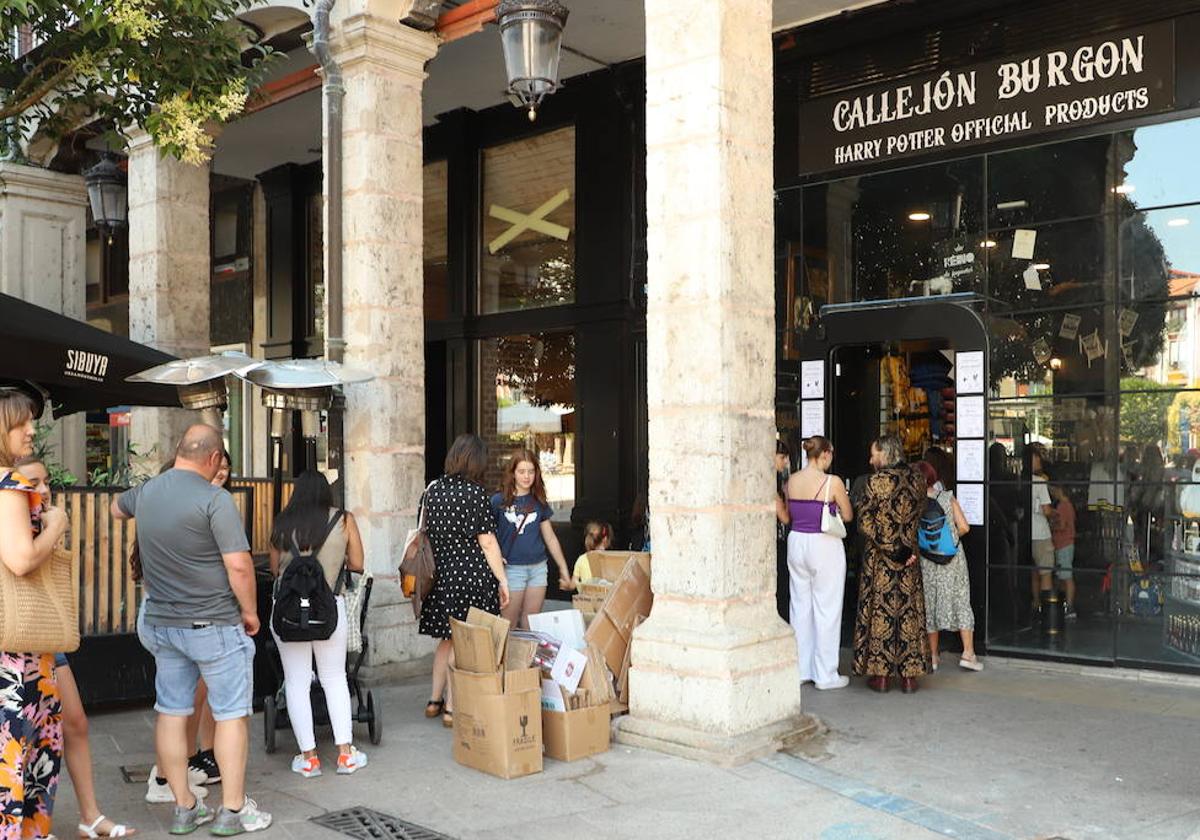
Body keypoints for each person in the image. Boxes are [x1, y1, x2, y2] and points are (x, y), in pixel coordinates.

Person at [113, 424, 271, 835]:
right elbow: (239, 565)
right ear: (215, 458)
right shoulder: (215, 500)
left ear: (180, 450)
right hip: (214, 623)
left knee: (170, 712)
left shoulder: (147, 493)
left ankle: (184, 807)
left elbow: (116, 508)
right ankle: (232, 811)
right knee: (233, 714)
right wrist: (250, 612)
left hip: (164, 623)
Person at [16, 457, 138, 838]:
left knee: (75, 722)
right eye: (34, 482)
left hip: (46, 634)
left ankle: (90, 815)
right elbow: (24, 564)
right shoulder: (15, 519)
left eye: (47, 480)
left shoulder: (44, 520)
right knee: (21, 738)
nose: (45, 488)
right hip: (19, 640)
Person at [0, 389, 68, 840]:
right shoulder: (9, 486)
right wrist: (57, 524)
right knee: (20, 762)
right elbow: (21, 560)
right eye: (21, 423)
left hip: (18, 648)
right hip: (17, 655)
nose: (31, 430)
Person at [269, 470, 368, 778]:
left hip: (287, 612)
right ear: (327, 492)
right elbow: (358, 564)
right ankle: (345, 755)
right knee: (335, 678)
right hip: (329, 608)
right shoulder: (343, 519)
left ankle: (309, 758)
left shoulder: (281, 523)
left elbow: (275, 570)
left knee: (296, 681)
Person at [418, 434, 511, 728]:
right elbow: (487, 542)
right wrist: (503, 579)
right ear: (476, 462)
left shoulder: (433, 491)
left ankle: (434, 700)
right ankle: (451, 707)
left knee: (445, 641)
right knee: (462, 641)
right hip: (470, 576)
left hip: (442, 575)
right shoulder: (475, 494)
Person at [852, 435, 931, 694]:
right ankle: (909, 678)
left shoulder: (874, 481)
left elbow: (865, 523)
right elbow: (918, 513)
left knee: (880, 613)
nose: (870, 459)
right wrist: (904, 546)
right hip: (910, 555)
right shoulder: (918, 479)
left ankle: (881, 677)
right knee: (908, 613)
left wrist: (890, 547)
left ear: (885, 454)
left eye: (874, 454)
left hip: (880, 559)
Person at [785, 436, 853, 690]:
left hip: (797, 541)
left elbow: (792, 513)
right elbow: (847, 514)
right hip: (823, 544)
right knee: (827, 608)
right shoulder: (831, 482)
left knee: (800, 607)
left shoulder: (792, 480)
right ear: (825, 454)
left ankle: (802, 669)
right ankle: (826, 674)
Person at [491, 450, 575, 630]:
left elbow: (550, 537)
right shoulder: (498, 501)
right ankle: (505, 659)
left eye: (531, 471)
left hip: (538, 568)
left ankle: (525, 658)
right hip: (511, 569)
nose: (526, 476)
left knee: (532, 623)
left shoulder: (538, 501)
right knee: (508, 624)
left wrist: (563, 568)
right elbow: (487, 537)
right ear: (512, 473)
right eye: (521, 471)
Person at [913, 460, 981, 673]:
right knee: (960, 599)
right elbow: (964, 527)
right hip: (952, 558)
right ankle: (968, 654)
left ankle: (932, 657)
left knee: (930, 603)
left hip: (927, 560)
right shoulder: (947, 497)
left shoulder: (914, 503)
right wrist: (949, 541)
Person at [1029, 444, 1056, 613]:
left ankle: (1035, 604)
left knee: (1033, 573)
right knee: (1045, 573)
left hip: (1027, 533)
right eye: (1037, 456)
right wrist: (1054, 514)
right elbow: (1046, 510)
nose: (1040, 459)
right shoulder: (1040, 482)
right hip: (1041, 533)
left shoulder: (1020, 480)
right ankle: (1047, 611)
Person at [1049, 483, 1077, 620]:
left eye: (1054, 490)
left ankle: (1070, 606)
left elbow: (1062, 525)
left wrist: (1051, 524)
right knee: (1063, 575)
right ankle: (1066, 604)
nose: (1052, 493)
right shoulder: (1068, 505)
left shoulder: (1063, 506)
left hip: (1064, 543)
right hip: (1064, 544)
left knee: (1066, 576)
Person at [775, 440, 792, 622]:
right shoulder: (773, 486)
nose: (785, 462)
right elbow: (785, 518)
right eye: (782, 457)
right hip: (777, 543)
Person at [572, 521, 614, 586]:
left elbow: (574, 582)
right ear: (605, 539)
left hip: (585, 594)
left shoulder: (582, 559)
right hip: (604, 594)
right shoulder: (609, 559)